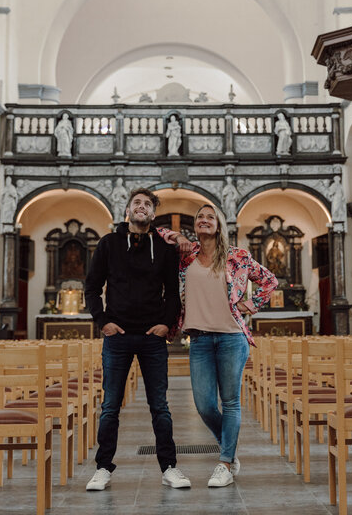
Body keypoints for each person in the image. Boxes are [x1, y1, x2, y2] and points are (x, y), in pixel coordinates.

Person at [162, 204, 277, 488]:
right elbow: (157, 232)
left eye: (209, 217)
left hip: (231, 337)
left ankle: (225, 463)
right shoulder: (184, 258)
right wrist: (177, 237)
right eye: (200, 217)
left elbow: (269, 281)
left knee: (230, 402)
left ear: (219, 225)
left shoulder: (238, 256)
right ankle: (229, 446)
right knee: (204, 405)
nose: (204, 220)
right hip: (199, 339)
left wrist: (250, 304)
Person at [84, 188, 190, 491]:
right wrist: (103, 321)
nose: (141, 207)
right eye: (137, 203)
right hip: (117, 336)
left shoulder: (164, 248)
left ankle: (169, 467)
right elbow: (92, 287)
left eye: (147, 204)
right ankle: (103, 467)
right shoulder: (109, 244)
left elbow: (173, 292)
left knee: (160, 406)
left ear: (154, 214)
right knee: (110, 406)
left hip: (151, 337)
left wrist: (165, 324)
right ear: (128, 211)